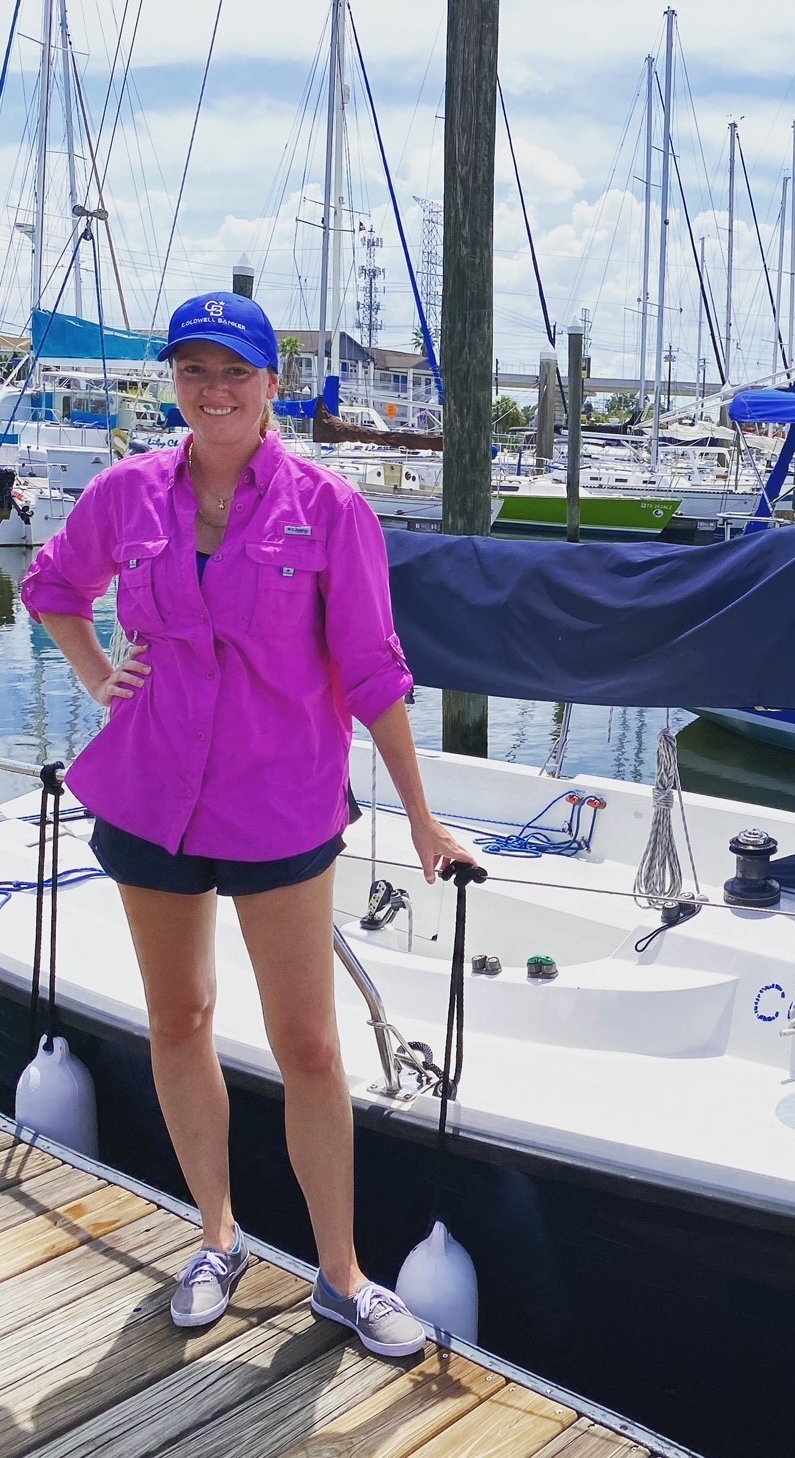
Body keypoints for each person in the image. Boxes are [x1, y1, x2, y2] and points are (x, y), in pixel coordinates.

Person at [22, 291, 475, 1357]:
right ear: (173, 382)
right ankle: (216, 1237)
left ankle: (342, 1276)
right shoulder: (128, 492)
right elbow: (53, 586)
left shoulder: (331, 509)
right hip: (149, 795)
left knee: (308, 1044)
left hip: (281, 805)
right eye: (195, 370)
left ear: (273, 383)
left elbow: (373, 670)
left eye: (236, 371)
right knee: (178, 1021)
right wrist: (97, 675)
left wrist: (422, 818)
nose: (214, 390)